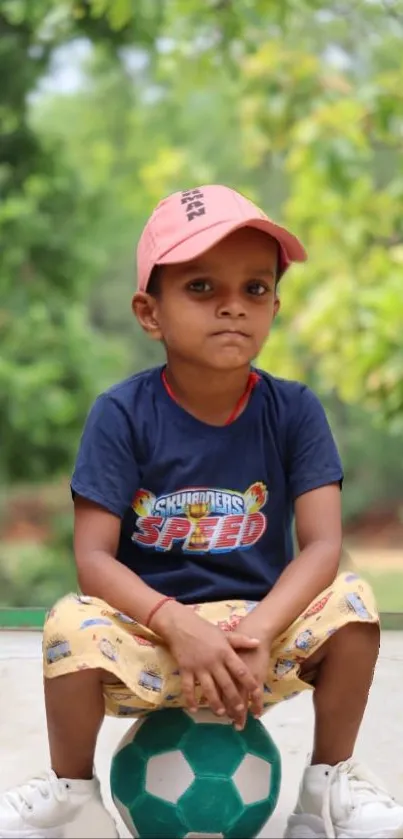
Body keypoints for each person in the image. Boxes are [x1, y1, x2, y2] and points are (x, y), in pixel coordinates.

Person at [1, 184, 402, 839]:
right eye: (199, 288)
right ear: (148, 312)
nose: (231, 307)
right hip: (152, 637)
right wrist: (177, 625)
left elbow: (322, 546)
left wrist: (262, 631)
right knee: (67, 623)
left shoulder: (294, 410)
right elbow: (93, 558)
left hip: (255, 642)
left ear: (274, 301)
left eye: (255, 288)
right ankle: (73, 794)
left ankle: (325, 790)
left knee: (352, 602)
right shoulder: (121, 414)